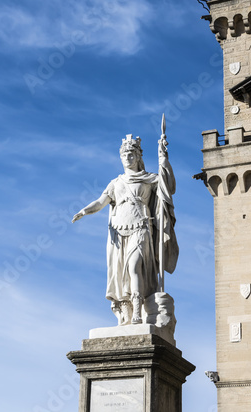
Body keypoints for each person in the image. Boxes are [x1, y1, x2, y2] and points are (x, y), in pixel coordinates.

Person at [72, 134, 178, 325]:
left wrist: (164, 160)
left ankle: (138, 311)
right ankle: (126, 312)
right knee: (122, 274)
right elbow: (100, 202)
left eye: (131, 154)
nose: (127, 159)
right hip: (118, 230)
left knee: (134, 266)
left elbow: (167, 186)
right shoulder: (116, 183)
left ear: (138, 157)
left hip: (140, 227)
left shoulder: (148, 179)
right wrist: (84, 211)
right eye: (124, 155)